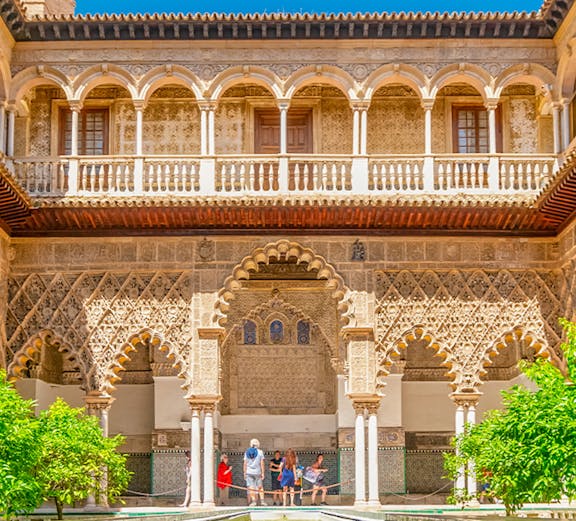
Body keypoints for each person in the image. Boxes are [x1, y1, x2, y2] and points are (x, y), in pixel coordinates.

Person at [243, 438, 267, 507]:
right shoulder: (260, 452)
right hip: (258, 472)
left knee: (251, 487)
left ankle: (253, 501)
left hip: (249, 472)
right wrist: (263, 472)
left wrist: (244, 472)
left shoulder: (247, 452)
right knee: (260, 487)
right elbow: (262, 463)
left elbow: (245, 463)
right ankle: (262, 501)